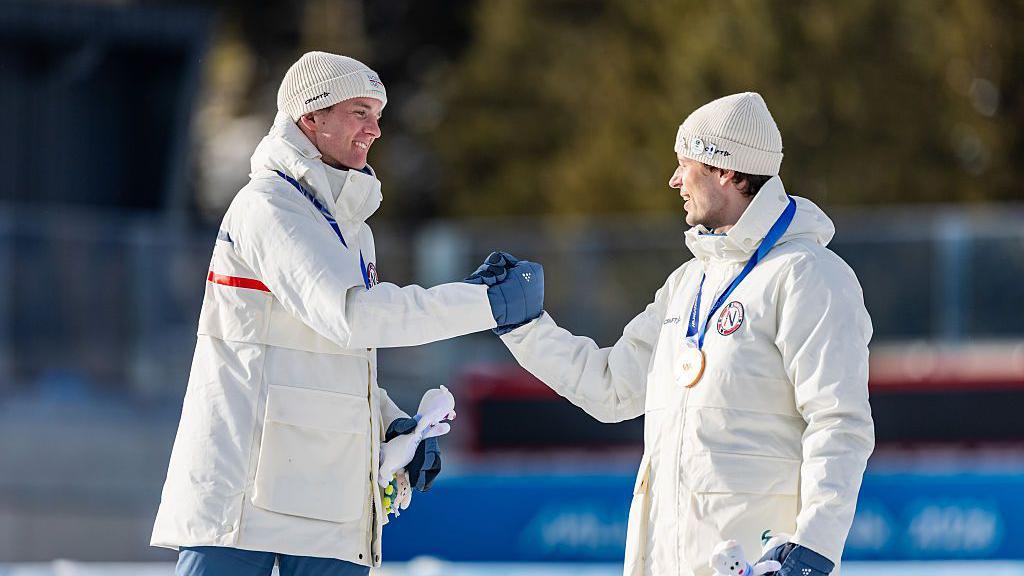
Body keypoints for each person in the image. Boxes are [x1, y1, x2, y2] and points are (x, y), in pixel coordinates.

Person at [150, 51, 543, 576]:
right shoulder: (269, 205)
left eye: (378, 115)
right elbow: (351, 317)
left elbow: (335, 352)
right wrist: (484, 304)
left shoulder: (352, 228)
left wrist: (386, 423)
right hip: (244, 504)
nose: (376, 130)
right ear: (310, 117)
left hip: (327, 506)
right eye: (360, 112)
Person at [493, 92, 874, 576]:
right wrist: (525, 328)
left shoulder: (808, 275)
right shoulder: (687, 282)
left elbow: (839, 422)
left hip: (762, 564)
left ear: (727, 172)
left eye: (685, 165)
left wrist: (815, 549)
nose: (674, 180)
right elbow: (613, 388)